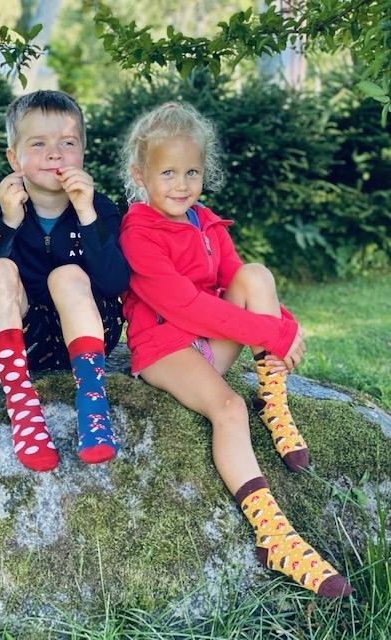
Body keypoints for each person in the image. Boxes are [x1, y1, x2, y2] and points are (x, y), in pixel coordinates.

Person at [119, 102, 351, 598]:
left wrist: (285, 325)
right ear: (140, 175)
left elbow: (235, 281)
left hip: (206, 343)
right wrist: (272, 335)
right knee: (227, 407)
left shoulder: (205, 222)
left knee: (257, 274)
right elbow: (186, 309)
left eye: (192, 172)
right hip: (163, 347)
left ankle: (275, 402)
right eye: (168, 172)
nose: (181, 184)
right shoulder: (137, 234)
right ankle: (274, 535)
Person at [0, 90, 129, 473]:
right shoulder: (1, 206)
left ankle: (92, 401)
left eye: (67, 143)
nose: (55, 153)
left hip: (91, 332)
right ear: (14, 159)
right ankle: (22, 404)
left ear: (82, 151)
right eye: (39, 144)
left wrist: (86, 214)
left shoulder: (100, 207)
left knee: (67, 274)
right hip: (29, 338)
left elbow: (116, 281)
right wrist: (5, 223)